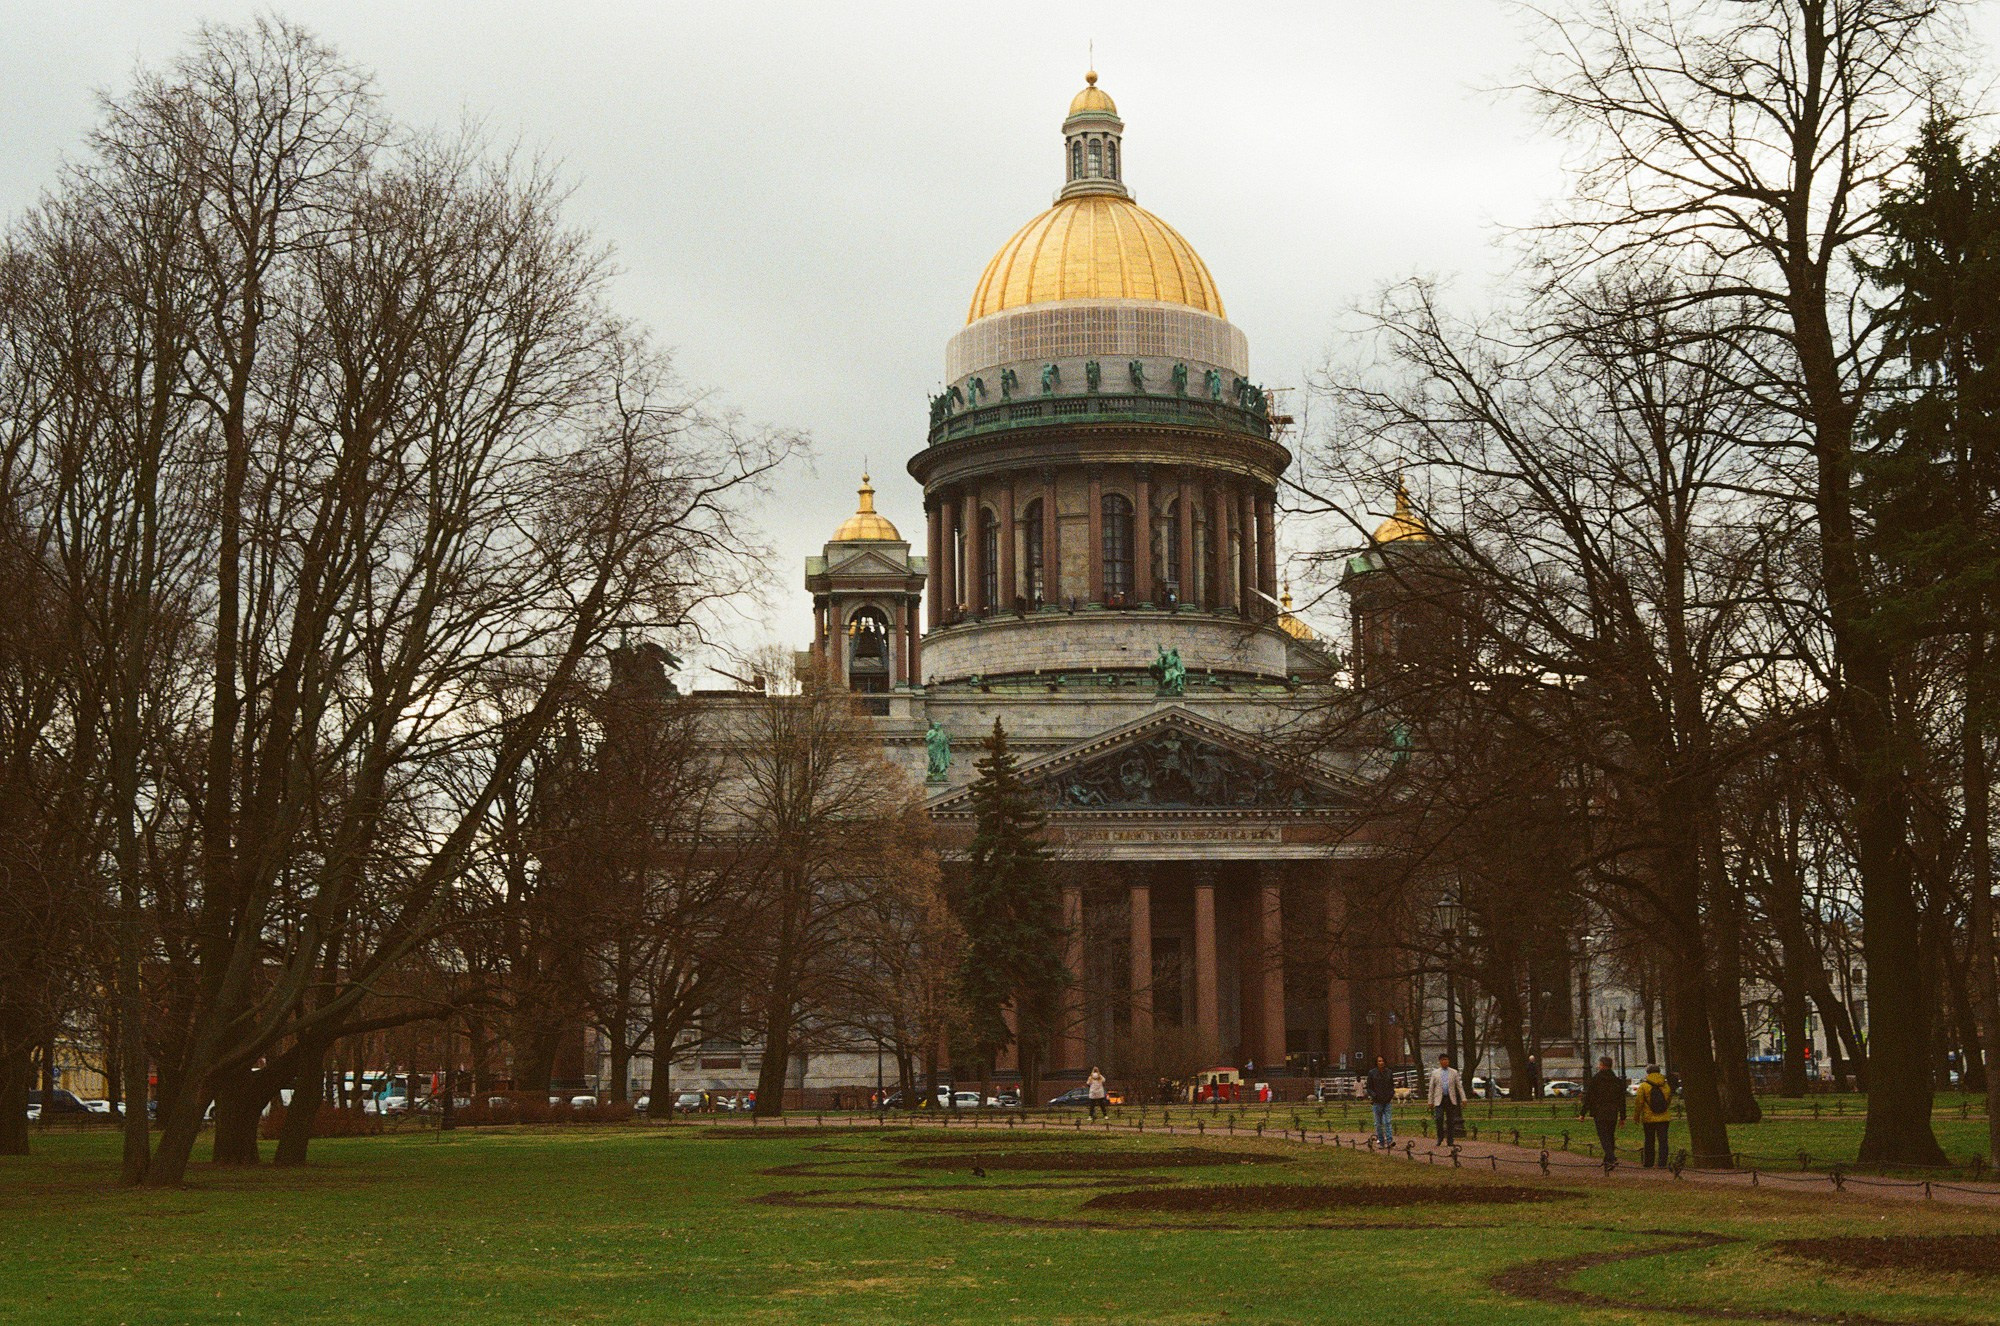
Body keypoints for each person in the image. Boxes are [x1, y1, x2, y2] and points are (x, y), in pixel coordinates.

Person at [1580, 1055, 1627, 1165]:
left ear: (1601, 1066)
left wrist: (1583, 1113)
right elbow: (1621, 1100)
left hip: (1599, 1111)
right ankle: (1608, 1160)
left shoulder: (1596, 1079)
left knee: (1603, 1135)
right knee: (1610, 1135)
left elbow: (1589, 1098)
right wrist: (1622, 1116)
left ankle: (1611, 1157)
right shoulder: (1616, 1080)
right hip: (1612, 1111)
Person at [1635, 1063, 1673, 1167]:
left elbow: (1639, 1102)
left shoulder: (1644, 1086)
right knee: (1663, 1141)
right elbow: (1668, 1100)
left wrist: (1637, 1116)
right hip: (1664, 1117)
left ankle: (1648, 1162)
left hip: (1649, 1117)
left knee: (1649, 1140)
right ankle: (1662, 1162)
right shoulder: (1665, 1086)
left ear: (1648, 1073)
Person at [1429, 1052, 1465, 1144]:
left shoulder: (1454, 1072)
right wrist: (1430, 1101)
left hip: (1450, 1099)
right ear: (1440, 1061)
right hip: (1439, 1099)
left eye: (1447, 1060)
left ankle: (1450, 1139)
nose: (1445, 1062)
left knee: (1450, 1120)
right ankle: (1440, 1137)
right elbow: (1431, 1088)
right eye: (1443, 1060)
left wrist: (1463, 1098)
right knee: (1439, 1118)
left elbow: (1459, 1086)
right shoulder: (1435, 1073)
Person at [1365, 1054, 1396, 1147]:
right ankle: (1381, 1141)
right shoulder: (1372, 1073)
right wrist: (1374, 1096)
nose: (1381, 1063)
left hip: (1387, 1101)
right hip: (1377, 1101)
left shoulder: (1389, 1072)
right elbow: (1369, 1087)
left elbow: (1391, 1086)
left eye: (1382, 1061)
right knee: (1378, 1123)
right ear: (1376, 1063)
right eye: (1379, 1061)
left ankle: (1389, 1141)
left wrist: (1390, 1095)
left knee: (1387, 1121)